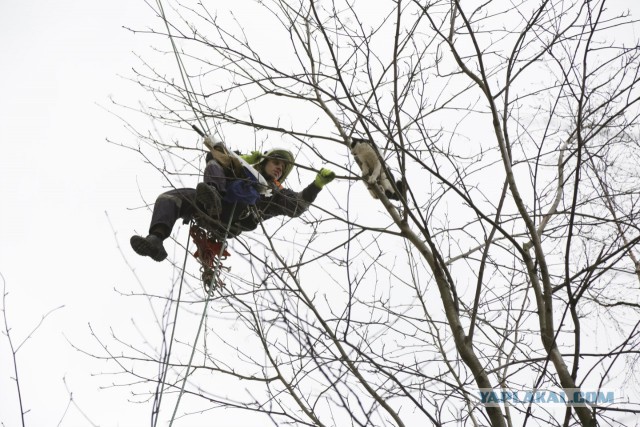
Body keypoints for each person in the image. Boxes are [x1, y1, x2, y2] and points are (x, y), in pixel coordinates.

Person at [130, 145, 336, 262]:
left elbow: (297, 206)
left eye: (282, 168)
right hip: (211, 204)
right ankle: (155, 240)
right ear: (264, 162)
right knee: (169, 198)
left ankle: (214, 199)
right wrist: (241, 159)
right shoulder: (237, 172)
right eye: (276, 164)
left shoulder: (275, 194)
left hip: (236, 215)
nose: (279, 169)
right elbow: (213, 156)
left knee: (247, 188)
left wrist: (317, 185)